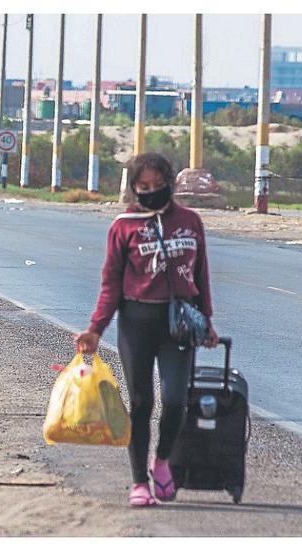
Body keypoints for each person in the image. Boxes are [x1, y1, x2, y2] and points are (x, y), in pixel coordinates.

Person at [75, 152, 218, 507]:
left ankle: (163, 461)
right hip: (136, 322)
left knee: (174, 400)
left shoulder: (190, 221)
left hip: (178, 324)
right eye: (144, 187)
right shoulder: (123, 226)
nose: (152, 192)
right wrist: (96, 329)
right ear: (134, 189)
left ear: (170, 184)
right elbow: (110, 284)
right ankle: (139, 482)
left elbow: (201, 275)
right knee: (141, 402)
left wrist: (207, 321)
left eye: (158, 186)